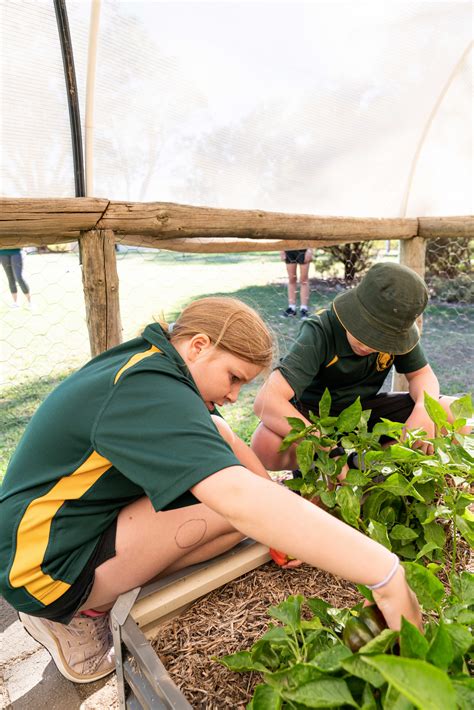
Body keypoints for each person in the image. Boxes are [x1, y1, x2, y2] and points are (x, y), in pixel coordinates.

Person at [0, 296, 420, 685]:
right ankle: (74, 613)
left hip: (61, 530)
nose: (235, 396)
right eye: (234, 378)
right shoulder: (147, 390)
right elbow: (237, 497)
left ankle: (100, 589)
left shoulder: (159, 364)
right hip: (39, 566)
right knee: (227, 511)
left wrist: (282, 512)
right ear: (199, 346)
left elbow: (223, 436)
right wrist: (384, 574)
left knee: (245, 517)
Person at [252, 262, 461, 472]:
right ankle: (321, 470)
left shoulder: (396, 327)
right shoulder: (319, 331)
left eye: (382, 340)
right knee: (265, 444)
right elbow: (266, 401)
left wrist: (423, 410)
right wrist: (326, 447)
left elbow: (421, 375)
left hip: (363, 413)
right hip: (313, 418)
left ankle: (368, 466)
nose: (369, 345)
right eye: (365, 331)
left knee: (452, 412)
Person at [281, 248, 313, 318]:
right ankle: (292, 308)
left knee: (304, 280)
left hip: (303, 248)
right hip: (289, 248)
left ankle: (304, 309)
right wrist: (282, 250)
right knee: (292, 279)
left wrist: (310, 249)